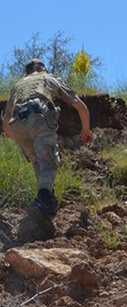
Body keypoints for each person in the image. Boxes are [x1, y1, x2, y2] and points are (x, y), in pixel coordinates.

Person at [2, 59, 93, 219]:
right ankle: (43, 200)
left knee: (38, 162)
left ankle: (47, 204)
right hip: (39, 118)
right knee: (49, 161)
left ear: (27, 72)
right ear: (43, 69)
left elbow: (5, 124)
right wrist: (85, 130)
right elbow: (80, 106)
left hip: (17, 125)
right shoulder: (49, 78)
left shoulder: (18, 86)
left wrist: (19, 140)